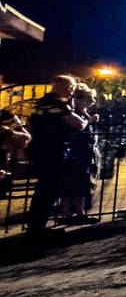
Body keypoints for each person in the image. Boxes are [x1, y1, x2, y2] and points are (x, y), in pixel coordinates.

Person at [24, 76, 88, 234]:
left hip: (42, 148)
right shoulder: (57, 104)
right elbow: (78, 124)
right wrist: (88, 119)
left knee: (44, 188)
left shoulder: (41, 102)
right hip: (53, 150)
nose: (72, 90)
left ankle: (36, 225)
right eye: (71, 87)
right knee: (49, 189)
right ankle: (37, 227)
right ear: (63, 86)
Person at [59, 84, 101, 224]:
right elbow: (78, 128)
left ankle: (77, 212)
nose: (93, 102)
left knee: (82, 183)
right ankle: (72, 213)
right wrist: (90, 121)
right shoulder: (73, 112)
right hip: (77, 153)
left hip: (83, 152)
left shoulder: (82, 112)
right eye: (90, 99)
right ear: (79, 99)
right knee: (76, 183)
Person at [1, 109, 32, 197]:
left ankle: (4, 186)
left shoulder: (8, 115)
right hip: (6, 147)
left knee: (21, 164)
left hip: (10, 148)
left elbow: (24, 133)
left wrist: (25, 137)